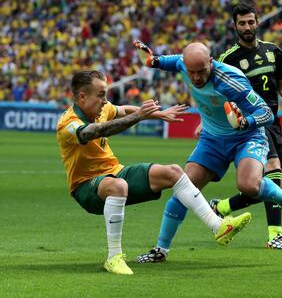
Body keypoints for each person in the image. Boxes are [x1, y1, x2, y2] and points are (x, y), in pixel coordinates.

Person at [56, 70, 253, 275]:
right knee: (118, 185)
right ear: (81, 96)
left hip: (114, 172)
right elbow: (96, 131)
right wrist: (139, 116)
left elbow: (121, 110)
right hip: (85, 187)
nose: (105, 100)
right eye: (100, 94)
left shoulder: (102, 108)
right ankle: (113, 258)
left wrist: (154, 113)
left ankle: (218, 227)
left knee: (173, 172)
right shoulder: (68, 124)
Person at [133, 40, 282, 263]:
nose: (195, 77)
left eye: (201, 71)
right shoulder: (184, 65)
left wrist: (245, 123)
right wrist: (152, 60)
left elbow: (266, 113)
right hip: (212, 139)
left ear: (211, 62)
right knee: (183, 190)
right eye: (191, 72)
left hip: (247, 137)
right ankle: (160, 250)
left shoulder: (231, 81)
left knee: (248, 185)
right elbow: (170, 61)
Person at [212, 3, 282, 250]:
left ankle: (223, 207)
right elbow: (216, 94)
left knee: (274, 184)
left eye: (251, 22)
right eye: (242, 23)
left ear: (257, 22)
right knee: (273, 172)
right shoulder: (228, 59)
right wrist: (209, 120)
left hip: (274, 121)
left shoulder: (274, 51)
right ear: (234, 26)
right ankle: (275, 236)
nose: (247, 27)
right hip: (252, 124)